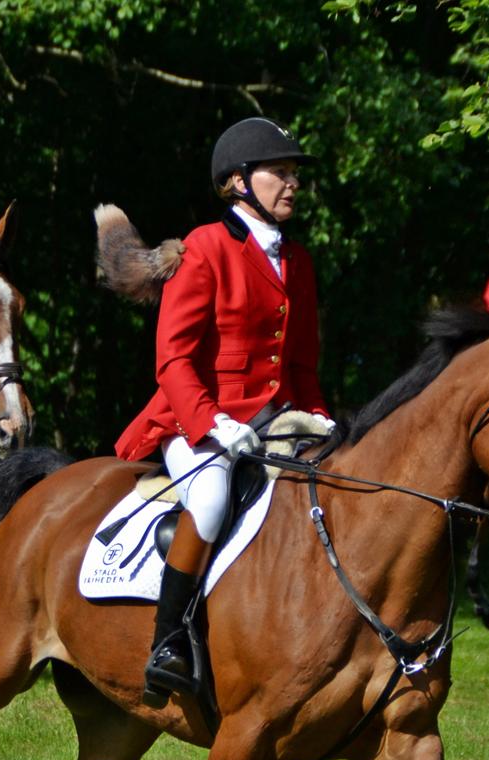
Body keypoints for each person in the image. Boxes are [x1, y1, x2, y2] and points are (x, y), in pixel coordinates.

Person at [114, 116, 333, 705]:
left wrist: (319, 418)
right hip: (197, 422)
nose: (292, 183)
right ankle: (168, 643)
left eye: (294, 174)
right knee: (209, 497)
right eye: (278, 173)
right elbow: (172, 361)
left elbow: (303, 368)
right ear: (238, 181)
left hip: (276, 422)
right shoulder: (205, 248)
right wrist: (212, 423)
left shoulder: (299, 262)